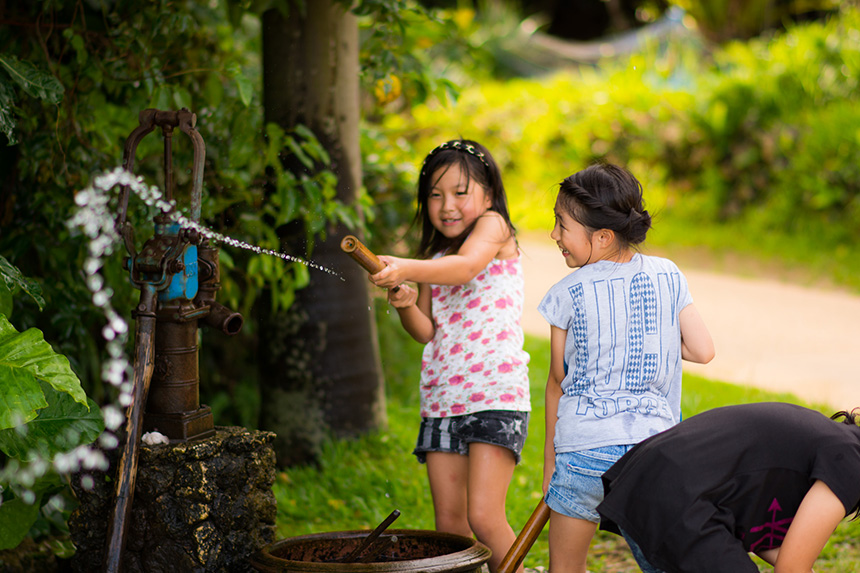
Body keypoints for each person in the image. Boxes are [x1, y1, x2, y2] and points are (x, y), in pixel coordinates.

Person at [537, 162, 715, 573]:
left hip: (583, 451)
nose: (554, 235)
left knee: (565, 569)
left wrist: (551, 464)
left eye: (561, 226)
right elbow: (703, 351)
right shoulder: (668, 275)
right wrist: (662, 344)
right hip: (650, 455)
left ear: (601, 237)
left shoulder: (566, 292)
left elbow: (557, 382)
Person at [368, 139, 531, 573]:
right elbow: (426, 331)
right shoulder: (434, 259)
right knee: (450, 525)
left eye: (461, 192)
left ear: (489, 195)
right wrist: (405, 301)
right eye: (435, 195)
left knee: (484, 516)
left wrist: (404, 267)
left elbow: (467, 268)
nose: (447, 205)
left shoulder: (494, 229)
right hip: (442, 400)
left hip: (495, 395)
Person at [597, 402, 860, 573]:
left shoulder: (834, 443)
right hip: (678, 498)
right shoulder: (850, 462)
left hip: (649, 483)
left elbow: (774, 544)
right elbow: (791, 568)